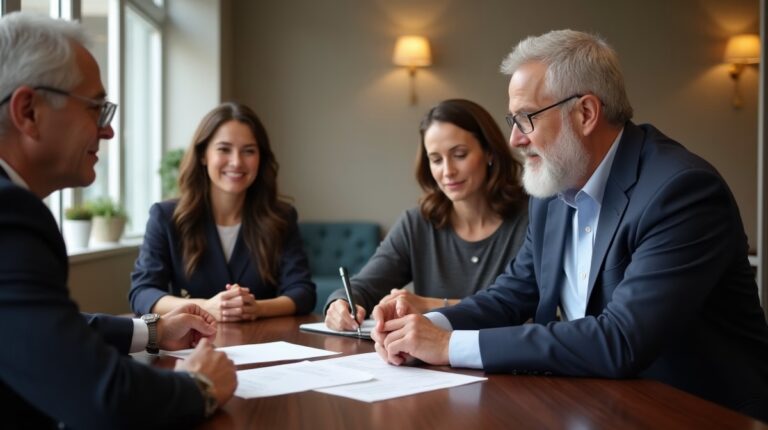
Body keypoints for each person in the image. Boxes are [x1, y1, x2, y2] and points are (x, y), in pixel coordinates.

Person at [371, 29, 768, 421]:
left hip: (694, 412)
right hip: (593, 402)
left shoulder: (680, 191)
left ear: (586, 113)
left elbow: (620, 339)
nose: (514, 139)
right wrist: (423, 327)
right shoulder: (551, 191)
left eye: (525, 118)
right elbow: (512, 296)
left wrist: (448, 345)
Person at [0, 12, 237, 428]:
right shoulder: (10, 215)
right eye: (96, 109)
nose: (108, 132)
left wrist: (154, 330)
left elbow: (46, 326)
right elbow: (99, 395)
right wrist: (199, 385)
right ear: (29, 112)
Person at [325, 99, 528, 331]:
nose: (447, 171)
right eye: (436, 160)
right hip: (428, 364)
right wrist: (340, 303)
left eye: (459, 154)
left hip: (505, 362)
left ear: (489, 152)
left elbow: (529, 310)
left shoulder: (530, 219)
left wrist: (429, 305)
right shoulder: (417, 222)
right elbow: (365, 286)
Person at [130, 102, 316, 322]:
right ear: (203, 156)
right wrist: (203, 307)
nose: (236, 162)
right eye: (224, 149)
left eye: (249, 151)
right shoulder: (166, 217)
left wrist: (256, 308)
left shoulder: (281, 217)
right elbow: (142, 293)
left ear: (261, 158)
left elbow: (302, 292)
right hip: (191, 346)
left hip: (263, 342)